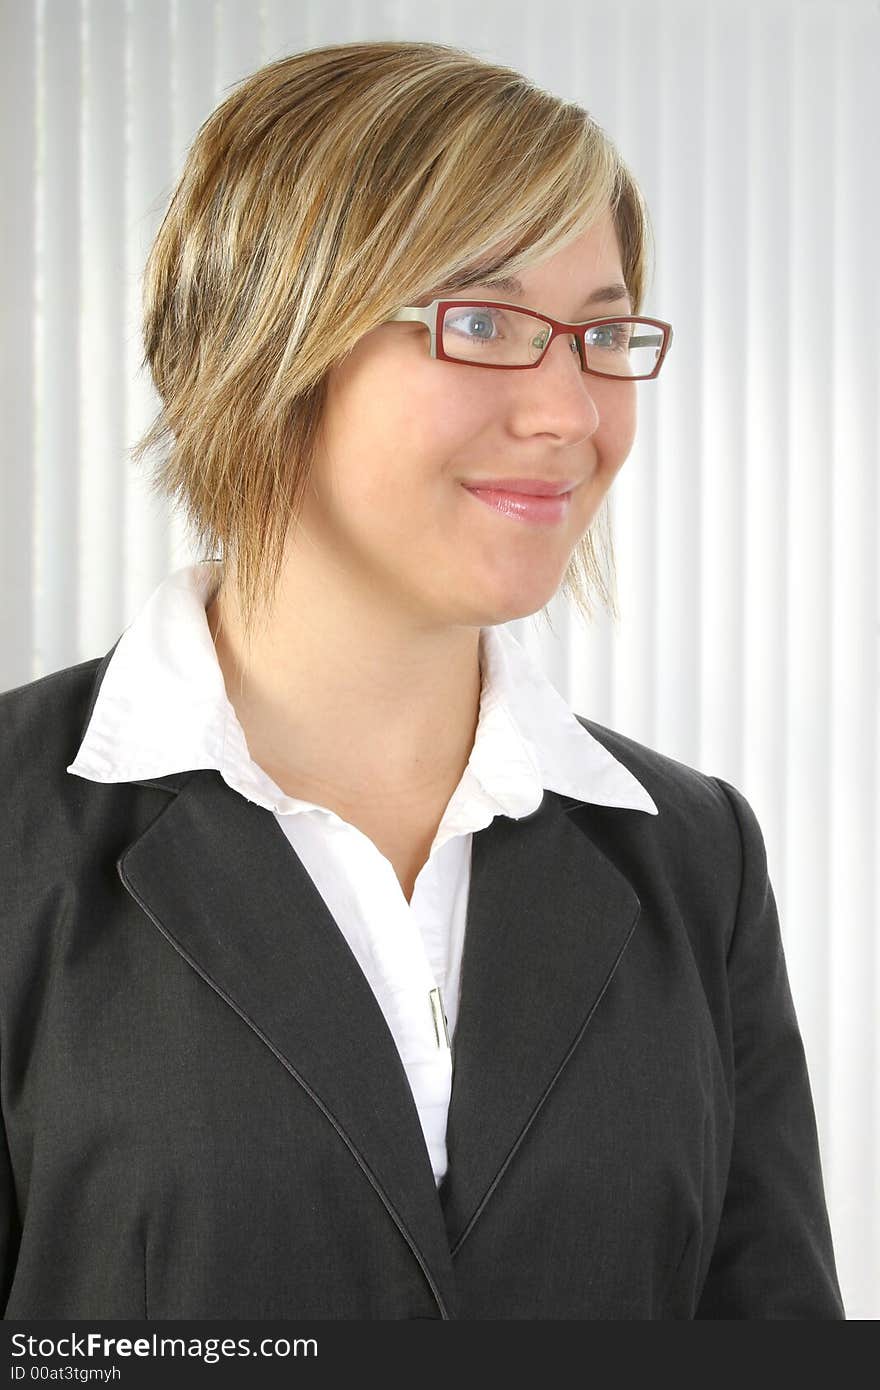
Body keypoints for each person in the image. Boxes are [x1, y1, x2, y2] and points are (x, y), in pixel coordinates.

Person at [0, 39, 843, 1320]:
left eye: (601, 332)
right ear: (270, 337)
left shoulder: (693, 857)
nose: (570, 413)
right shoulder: (17, 834)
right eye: (488, 321)